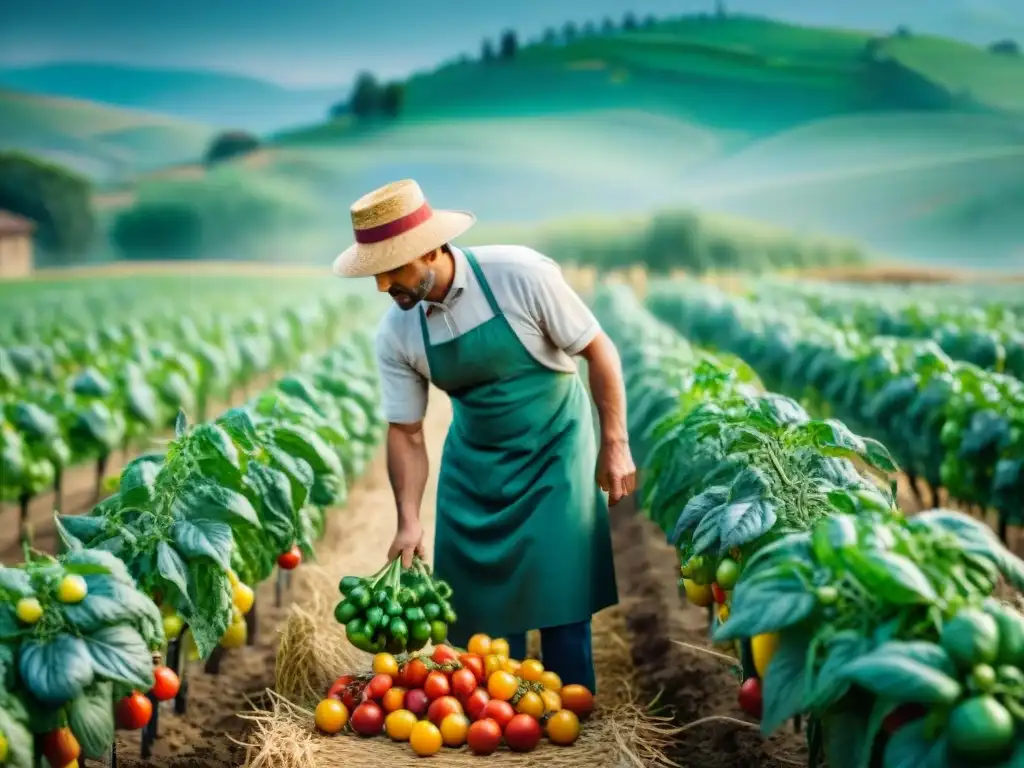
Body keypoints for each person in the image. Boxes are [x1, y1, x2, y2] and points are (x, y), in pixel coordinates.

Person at [332, 179, 636, 691]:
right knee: (480, 624)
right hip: (473, 470)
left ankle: (569, 715)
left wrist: (616, 442)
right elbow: (406, 433)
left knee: (561, 596)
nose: (384, 287)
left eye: (391, 271)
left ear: (430, 249)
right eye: (375, 276)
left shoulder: (519, 274)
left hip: (555, 453)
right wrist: (408, 521)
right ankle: (497, 713)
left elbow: (598, 351)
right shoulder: (398, 332)